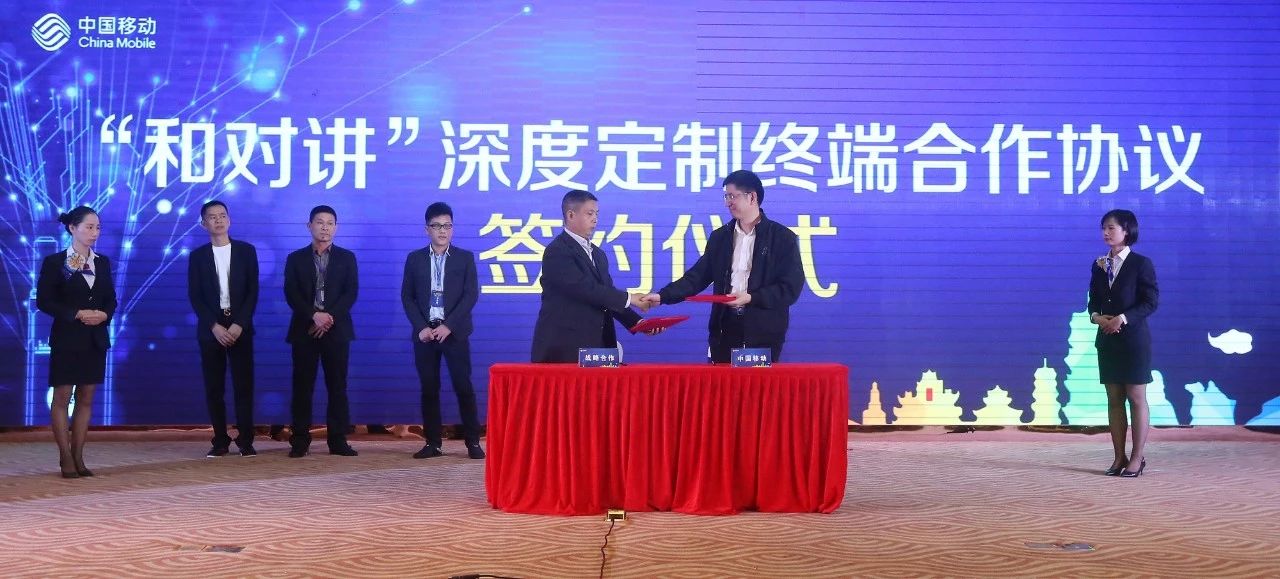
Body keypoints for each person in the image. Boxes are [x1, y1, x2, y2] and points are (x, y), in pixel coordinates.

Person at [641, 170, 804, 362]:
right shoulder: (720, 237)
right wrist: (663, 296)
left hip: (763, 330)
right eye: (726, 196)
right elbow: (697, 277)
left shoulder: (782, 238)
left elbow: (790, 288)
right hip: (724, 328)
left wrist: (751, 297)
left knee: (757, 382)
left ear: (752, 197)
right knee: (721, 381)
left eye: (732, 196)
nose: (728, 202)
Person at [530, 190, 656, 363]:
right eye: (589, 213)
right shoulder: (557, 251)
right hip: (565, 348)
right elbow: (585, 289)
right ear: (571, 215)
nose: (595, 219)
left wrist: (638, 323)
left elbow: (606, 294)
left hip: (597, 347)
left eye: (596, 213)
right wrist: (630, 298)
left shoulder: (598, 254)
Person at [36, 206, 116, 478]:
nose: (95, 232)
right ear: (72, 228)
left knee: (86, 398)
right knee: (62, 397)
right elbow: (44, 301)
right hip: (67, 337)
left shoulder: (102, 262)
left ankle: (79, 456)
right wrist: (76, 313)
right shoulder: (55, 262)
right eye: (89, 227)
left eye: (98, 227)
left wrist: (104, 315)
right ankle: (65, 456)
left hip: (95, 338)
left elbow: (110, 299)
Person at [401, 202, 485, 459]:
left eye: (447, 226)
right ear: (427, 229)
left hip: (455, 333)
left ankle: (473, 441)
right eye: (437, 226)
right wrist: (421, 327)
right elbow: (407, 297)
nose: (442, 231)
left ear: (452, 229)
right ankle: (433, 443)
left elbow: (470, 295)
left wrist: (449, 326)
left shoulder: (464, 258)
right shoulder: (415, 259)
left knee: (463, 386)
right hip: (426, 335)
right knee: (429, 388)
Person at [283, 205, 359, 457]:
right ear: (309, 226)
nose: (325, 227)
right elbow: (291, 293)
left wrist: (328, 317)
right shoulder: (295, 258)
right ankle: (299, 440)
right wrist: (313, 315)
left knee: (337, 387)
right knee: (302, 387)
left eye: (330, 223)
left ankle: (337, 440)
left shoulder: (347, 258)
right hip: (304, 329)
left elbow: (351, 293)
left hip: (337, 331)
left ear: (336, 228)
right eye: (319, 222)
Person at [188, 200, 260, 458]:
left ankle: (246, 440)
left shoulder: (246, 251)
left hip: (241, 328)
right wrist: (214, 326)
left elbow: (253, 291)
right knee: (214, 388)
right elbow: (195, 296)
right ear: (203, 223)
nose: (218, 220)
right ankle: (220, 440)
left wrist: (240, 324)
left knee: (244, 386)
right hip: (212, 331)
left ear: (229, 220)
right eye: (212, 217)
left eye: (222, 216)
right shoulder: (198, 256)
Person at [1089, 209, 1158, 477]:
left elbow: (1150, 302)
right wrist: (1096, 317)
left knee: (1136, 398)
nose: (1106, 233)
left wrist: (1123, 318)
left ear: (1126, 231)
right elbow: (1093, 303)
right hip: (1107, 341)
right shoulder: (1099, 265)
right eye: (1104, 228)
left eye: (1112, 228)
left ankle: (1137, 458)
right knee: (1114, 400)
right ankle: (1119, 457)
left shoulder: (1141, 264)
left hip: (1133, 341)